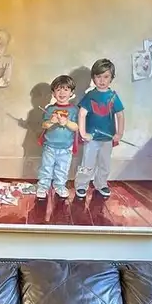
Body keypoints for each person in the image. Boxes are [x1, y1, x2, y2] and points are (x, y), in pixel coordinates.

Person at [74, 58, 126, 199]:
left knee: (105, 163)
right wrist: (83, 133)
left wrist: (119, 133)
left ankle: (101, 183)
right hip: (92, 138)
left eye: (106, 76)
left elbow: (120, 115)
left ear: (111, 78)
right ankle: (81, 185)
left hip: (107, 138)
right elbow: (82, 114)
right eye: (98, 76)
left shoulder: (113, 97)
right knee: (87, 163)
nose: (102, 80)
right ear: (93, 78)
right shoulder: (90, 96)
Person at [36, 75, 79, 199]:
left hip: (66, 147)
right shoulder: (50, 109)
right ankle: (43, 186)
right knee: (46, 167)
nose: (62, 92)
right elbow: (44, 125)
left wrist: (66, 122)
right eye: (58, 89)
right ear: (53, 93)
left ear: (72, 93)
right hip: (49, 146)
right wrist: (51, 121)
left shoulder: (74, 110)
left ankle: (59, 186)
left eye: (66, 89)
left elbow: (76, 127)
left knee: (62, 169)